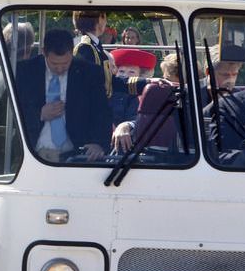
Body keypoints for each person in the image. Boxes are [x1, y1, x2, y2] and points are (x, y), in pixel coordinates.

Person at [16, 29, 112, 162]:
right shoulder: (23, 72)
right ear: (44, 52)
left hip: (75, 154)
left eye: (65, 63)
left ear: (72, 52)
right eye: (54, 64)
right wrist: (40, 114)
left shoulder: (89, 73)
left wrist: (99, 144)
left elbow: (102, 112)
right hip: (31, 152)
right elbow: (6, 113)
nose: (60, 69)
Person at [72, 10, 114, 98]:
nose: (106, 22)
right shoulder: (85, 46)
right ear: (100, 19)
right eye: (105, 17)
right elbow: (83, 87)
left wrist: (144, 82)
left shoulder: (93, 45)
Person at [109, 49, 157, 126]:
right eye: (121, 71)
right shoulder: (108, 90)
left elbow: (137, 119)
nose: (125, 75)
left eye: (131, 72)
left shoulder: (140, 96)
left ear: (141, 76)